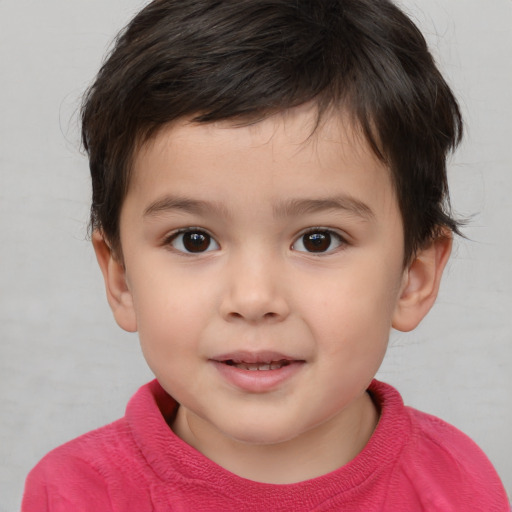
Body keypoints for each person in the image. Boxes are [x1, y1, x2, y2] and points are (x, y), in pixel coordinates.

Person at [21, 0, 509, 510]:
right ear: (120, 276)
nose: (253, 299)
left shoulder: (458, 485)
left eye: (318, 239)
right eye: (194, 239)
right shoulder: (76, 493)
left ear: (414, 276)